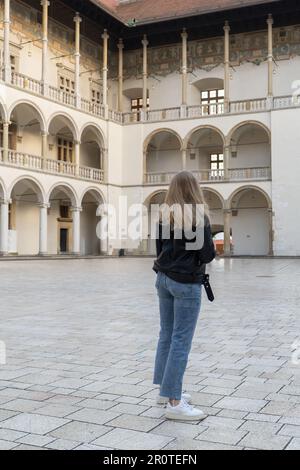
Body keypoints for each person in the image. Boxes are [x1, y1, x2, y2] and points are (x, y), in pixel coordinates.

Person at [152, 171, 215, 421]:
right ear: (194, 189)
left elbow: (158, 249)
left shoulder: (164, 215)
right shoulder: (198, 216)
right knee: (180, 340)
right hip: (186, 283)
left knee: (166, 335)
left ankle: (164, 391)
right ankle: (175, 403)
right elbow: (207, 255)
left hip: (163, 279)